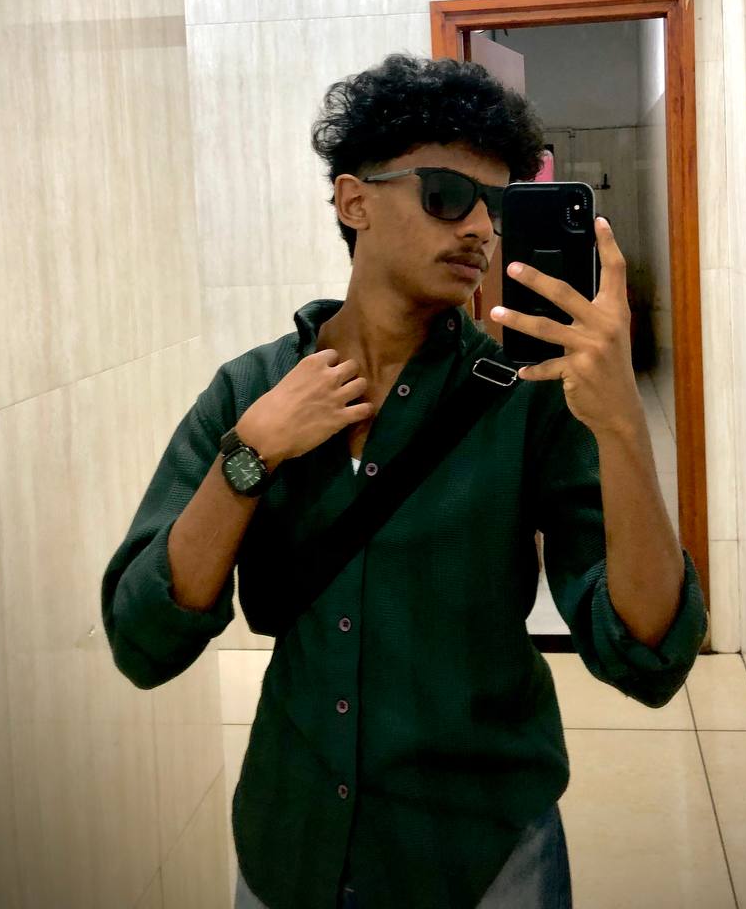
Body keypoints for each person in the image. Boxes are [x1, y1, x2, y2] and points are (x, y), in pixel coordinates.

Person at [102, 53, 707, 909]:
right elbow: (143, 639)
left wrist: (621, 426)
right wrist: (251, 456)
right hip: (291, 837)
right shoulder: (251, 392)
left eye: (496, 205)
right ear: (354, 202)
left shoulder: (527, 399)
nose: (480, 230)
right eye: (448, 195)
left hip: (483, 851)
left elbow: (646, 653)